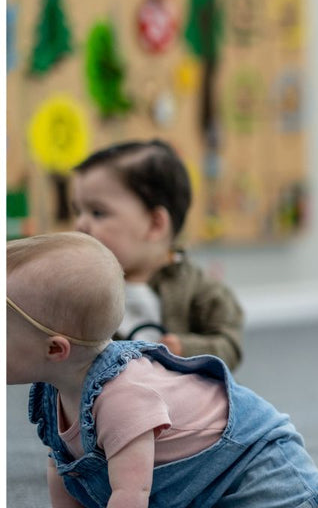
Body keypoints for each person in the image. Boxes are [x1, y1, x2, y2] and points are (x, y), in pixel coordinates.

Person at [7, 232, 318, 508]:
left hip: (246, 458)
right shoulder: (53, 391)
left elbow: (131, 492)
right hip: (189, 489)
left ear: (56, 349)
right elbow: (62, 470)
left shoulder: (121, 399)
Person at [71, 140, 244, 370]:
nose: (80, 224)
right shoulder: (87, 289)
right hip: (115, 400)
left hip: (188, 398)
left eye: (97, 212)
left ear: (155, 224)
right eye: (77, 211)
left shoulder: (199, 289)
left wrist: (184, 349)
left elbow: (229, 347)